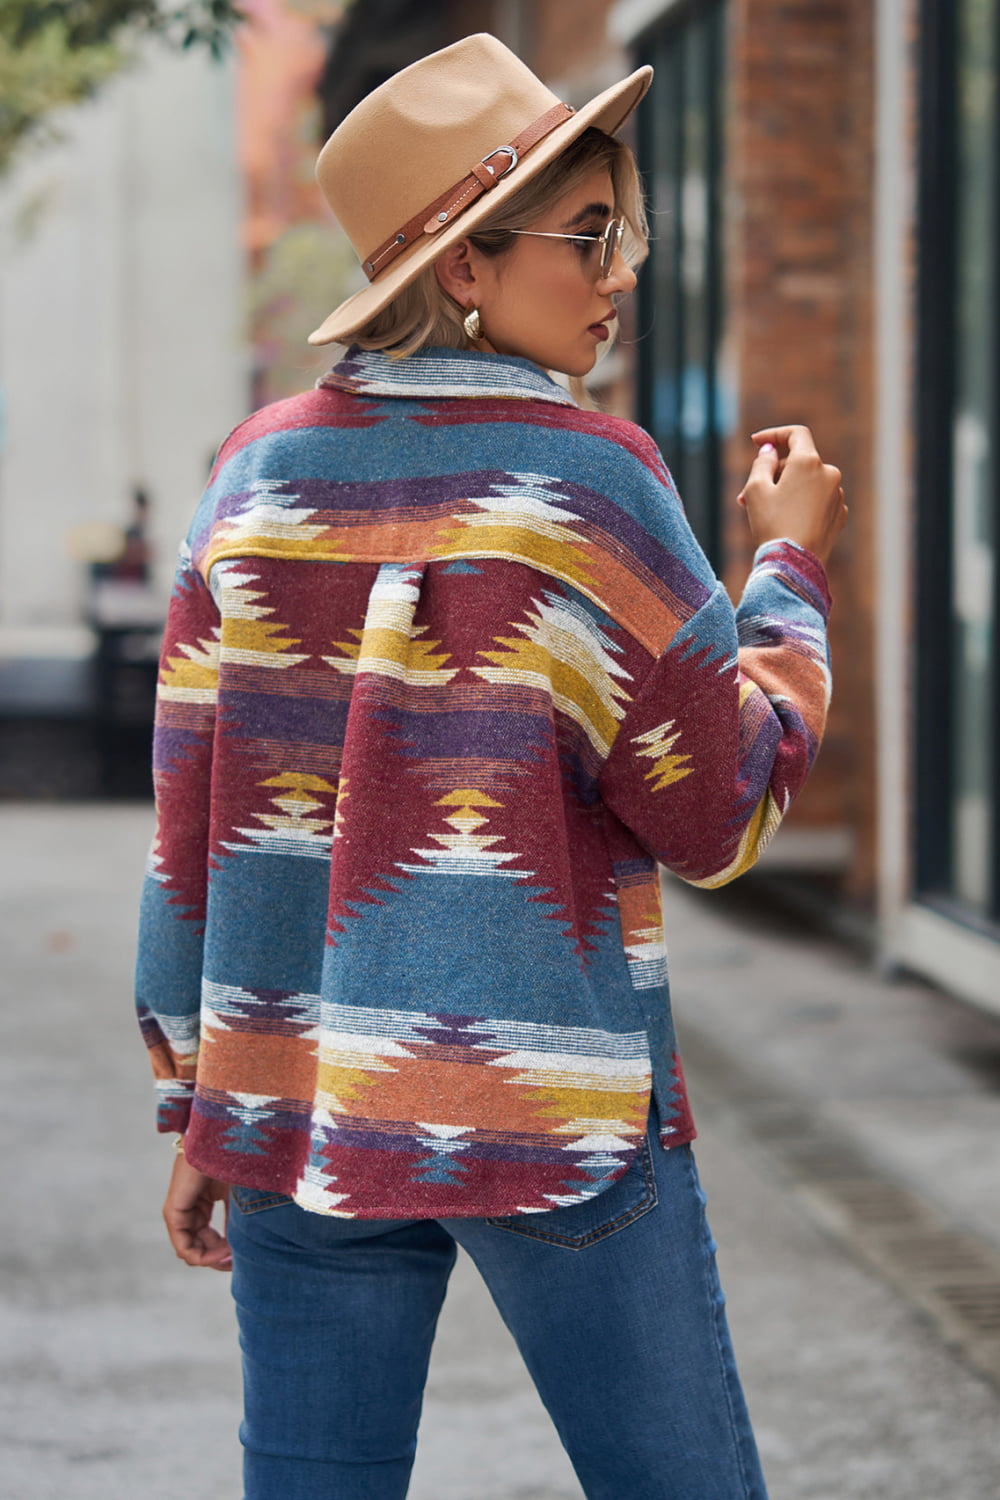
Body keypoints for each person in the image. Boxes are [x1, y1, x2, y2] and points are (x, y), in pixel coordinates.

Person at [136, 32, 846, 1500]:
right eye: (588, 236)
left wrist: (202, 1097)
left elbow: (191, 819)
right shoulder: (590, 486)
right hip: (545, 1104)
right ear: (465, 264)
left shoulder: (252, 477)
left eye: (622, 230)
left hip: (300, 1100)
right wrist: (789, 574)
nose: (619, 271)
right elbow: (720, 811)